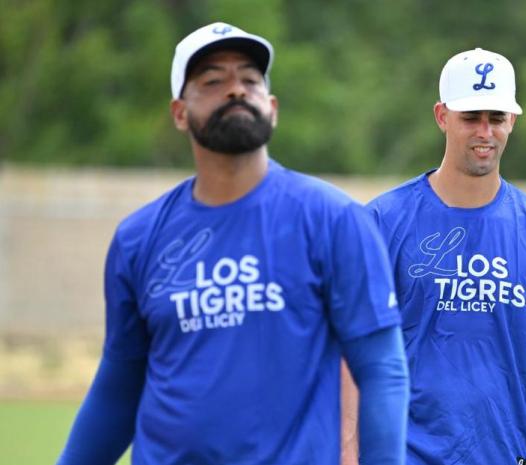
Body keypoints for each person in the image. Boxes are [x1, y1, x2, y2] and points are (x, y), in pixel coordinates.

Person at [57, 22, 409, 465]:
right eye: (212, 81)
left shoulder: (333, 220)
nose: (236, 90)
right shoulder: (138, 238)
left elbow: (381, 368)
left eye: (250, 79)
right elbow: (119, 386)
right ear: (179, 112)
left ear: (272, 108)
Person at [346, 47, 526, 465]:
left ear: (512, 121)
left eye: (496, 118)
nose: (485, 131)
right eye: (471, 117)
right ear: (442, 116)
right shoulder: (381, 222)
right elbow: (349, 358)